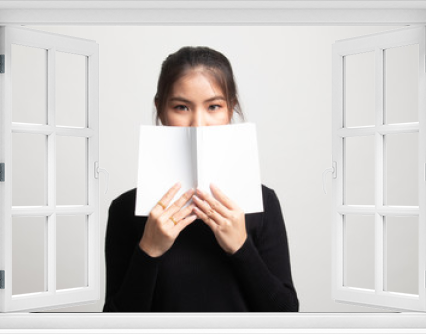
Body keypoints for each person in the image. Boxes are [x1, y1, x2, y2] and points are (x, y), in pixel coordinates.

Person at [103, 46, 299, 312]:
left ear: (231, 109)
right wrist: (149, 249)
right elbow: (114, 323)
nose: (198, 124)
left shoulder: (263, 202)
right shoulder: (125, 209)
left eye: (214, 106)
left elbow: (286, 313)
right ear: (160, 110)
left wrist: (241, 248)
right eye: (181, 107)